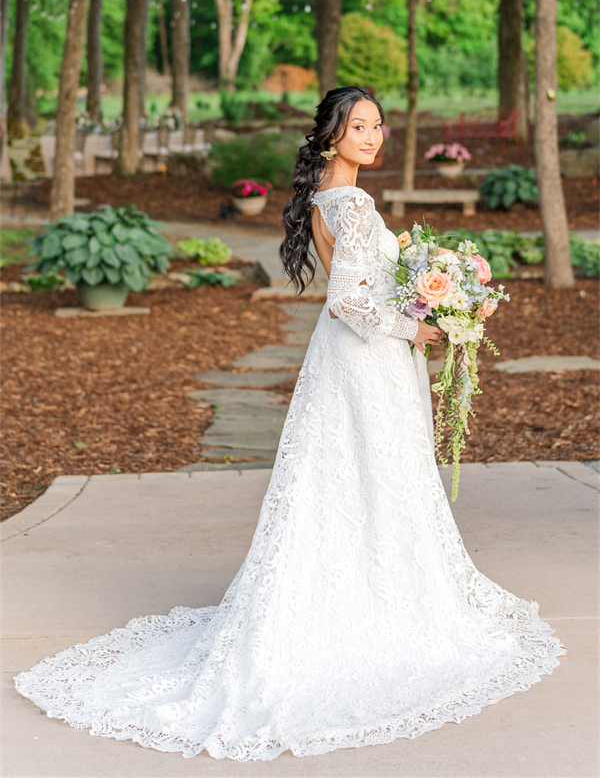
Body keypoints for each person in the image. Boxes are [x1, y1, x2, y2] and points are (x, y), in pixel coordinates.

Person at [13, 86, 566, 762]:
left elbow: (351, 291)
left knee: (346, 483)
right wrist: (418, 326)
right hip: (367, 361)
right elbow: (351, 305)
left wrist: (424, 300)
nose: (374, 135)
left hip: (345, 367)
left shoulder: (322, 199)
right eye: (358, 125)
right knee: (378, 478)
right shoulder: (354, 205)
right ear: (332, 135)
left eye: (378, 125)